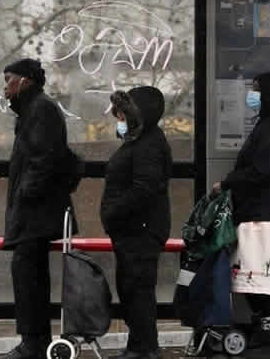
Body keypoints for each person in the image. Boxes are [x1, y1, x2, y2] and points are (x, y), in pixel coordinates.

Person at [212, 71, 270, 350]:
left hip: (264, 214)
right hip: (264, 211)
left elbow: (261, 171)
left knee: (259, 273)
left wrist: (226, 183)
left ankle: (267, 330)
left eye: (257, 90)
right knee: (259, 273)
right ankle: (264, 326)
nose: (252, 95)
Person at [0, 58, 76, 359]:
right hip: (34, 212)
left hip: (36, 213)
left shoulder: (40, 109)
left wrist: (25, 194)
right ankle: (35, 341)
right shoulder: (33, 109)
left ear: (26, 80)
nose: (5, 87)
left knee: (28, 276)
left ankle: (33, 344)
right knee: (29, 276)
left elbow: (44, 159)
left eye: (9, 79)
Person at [101, 87, 173, 359]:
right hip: (133, 231)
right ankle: (139, 346)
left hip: (140, 231)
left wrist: (113, 212)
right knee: (131, 289)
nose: (119, 120)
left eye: (122, 115)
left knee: (138, 290)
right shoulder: (141, 141)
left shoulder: (148, 144)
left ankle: (144, 349)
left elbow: (144, 188)